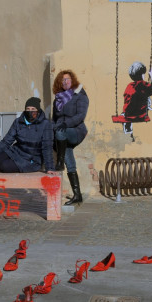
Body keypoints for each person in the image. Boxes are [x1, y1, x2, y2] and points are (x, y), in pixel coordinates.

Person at [0, 97, 56, 174]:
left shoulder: (46, 124)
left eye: (33, 109)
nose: (30, 111)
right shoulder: (18, 122)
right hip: (15, 152)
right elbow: (6, 141)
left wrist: (50, 167)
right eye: (28, 109)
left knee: (4, 166)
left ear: (38, 110)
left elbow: (47, 147)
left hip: (31, 160)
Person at [53, 69, 89, 205]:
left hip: (76, 130)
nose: (65, 82)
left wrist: (65, 123)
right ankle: (77, 195)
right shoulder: (58, 98)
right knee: (69, 160)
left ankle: (59, 162)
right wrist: (52, 127)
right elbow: (54, 118)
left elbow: (81, 115)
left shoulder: (80, 95)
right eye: (62, 80)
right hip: (61, 132)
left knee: (60, 133)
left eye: (67, 79)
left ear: (72, 80)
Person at [117, 62, 152, 140]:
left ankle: (128, 131)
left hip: (128, 114)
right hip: (141, 114)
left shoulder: (129, 86)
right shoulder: (145, 85)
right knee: (147, 98)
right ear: (142, 75)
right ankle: (147, 107)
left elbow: (126, 98)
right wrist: (151, 76)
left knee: (123, 115)